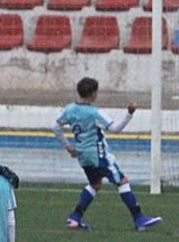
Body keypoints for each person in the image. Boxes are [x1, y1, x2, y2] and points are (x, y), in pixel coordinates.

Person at [54, 77, 162, 231]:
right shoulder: (94, 113)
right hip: (99, 156)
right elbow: (116, 128)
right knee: (122, 181)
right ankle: (139, 218)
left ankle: (75, 218)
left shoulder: (70, 109)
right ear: (92, 94)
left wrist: (68, 146)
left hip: (83, 156)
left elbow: (55, 126)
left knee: (95, 184)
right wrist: (129, 113)